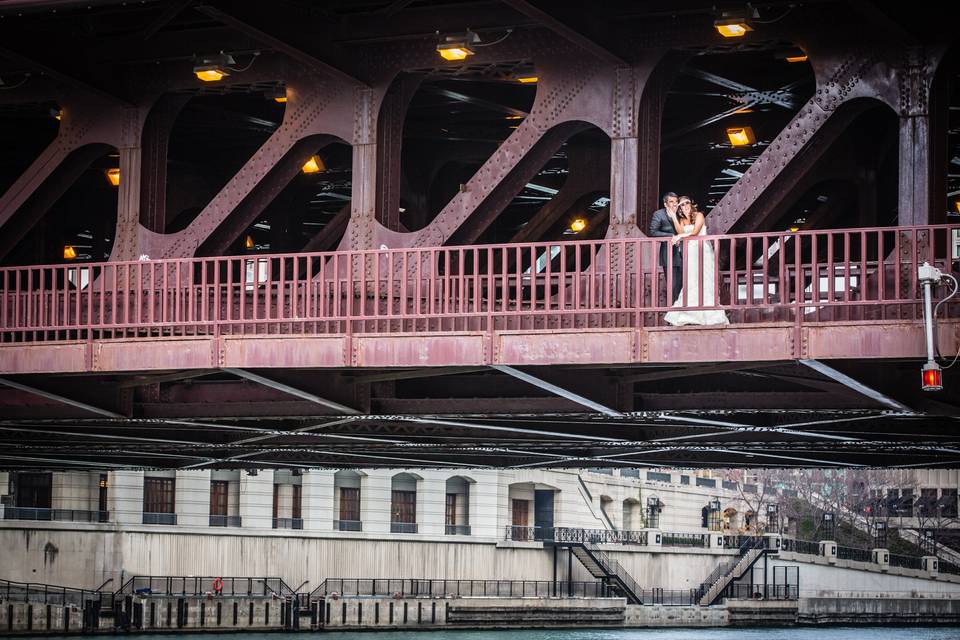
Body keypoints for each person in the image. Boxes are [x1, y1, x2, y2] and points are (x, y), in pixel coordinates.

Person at [664, 198, 729, 327]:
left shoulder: (699, 215)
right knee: (691, 280)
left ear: (691, 204)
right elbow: (681, 232)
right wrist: (674, 217)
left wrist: (680, 237)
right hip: (690, 252)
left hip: (702, 250)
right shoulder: (682, 220)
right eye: (681, 205)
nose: (685, 206)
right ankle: (688, 314)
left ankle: (710, 314)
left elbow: (695, 232)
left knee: (705, 279)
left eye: (687, 203)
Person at [648, 192, 683, 303]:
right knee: (673, 286)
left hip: (686, 253)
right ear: (665, 204)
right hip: (669, 255)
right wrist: (671, 236)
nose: (674, 204)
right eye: (671, 202)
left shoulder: (681, 212)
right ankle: (674, 313)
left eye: (676, 201)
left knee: (686, 285)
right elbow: (653, 232)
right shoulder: (659, 214)